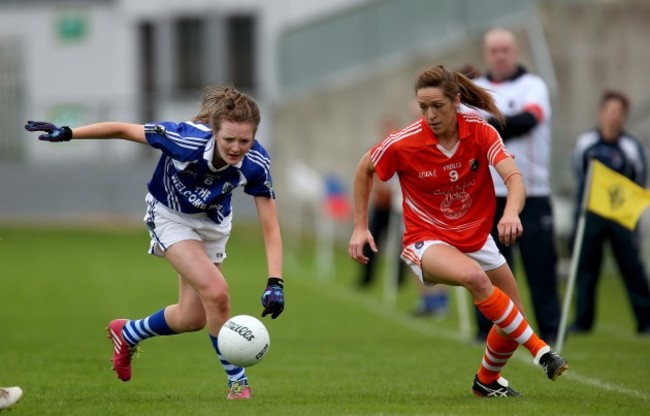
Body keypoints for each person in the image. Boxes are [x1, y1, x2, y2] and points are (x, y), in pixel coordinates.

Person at [24, 85, 285, 400]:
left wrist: (275, 282)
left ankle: (128, 332)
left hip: (214, 225)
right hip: (169, 217)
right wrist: (68, 132)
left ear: (254, 136)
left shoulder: (256, 163)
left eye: (244, 140)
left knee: (193, 318)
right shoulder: (184, 139)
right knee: (217, 294)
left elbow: (270, 228)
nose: (235, 147)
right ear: (214, 131)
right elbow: (122, 129)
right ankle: (238, 385)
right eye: (228, 139)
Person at [348, 64, 568, 397]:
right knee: (477, 279)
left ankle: (487, 382)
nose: (430, 114)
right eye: (423, 107)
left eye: (437, 105)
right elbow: (365, 168)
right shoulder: (404, 142)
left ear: (456, 100)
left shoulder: (481, 131)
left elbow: (514, 178)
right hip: (426, 240)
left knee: (512, 320)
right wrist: (360, 227)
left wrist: (510, 213)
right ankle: (541, 351)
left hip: (477, 238)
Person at [472, 28, 561, 344]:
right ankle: (486, 330)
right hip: (487, 195)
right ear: (486, 54)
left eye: (505, 49)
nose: (500, 55)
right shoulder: (475, 91)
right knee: (489, 267)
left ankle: (550, 329)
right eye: (494, 50)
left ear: (516, 50)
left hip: (531, 193)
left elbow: (529, 119)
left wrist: (488, 128)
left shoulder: (533, 86)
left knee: (540, 265)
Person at [570, 90, 650, 335]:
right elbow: (579, 171)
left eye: (619, 113)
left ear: (624, 116)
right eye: (610, 111)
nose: (613, 117)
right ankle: (583, 321)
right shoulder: (586, 142)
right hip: (591, 214)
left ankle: (645, 320)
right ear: (601, 113)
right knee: (585, 269)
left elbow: (640, 179)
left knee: (631, 267)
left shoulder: (631, 146)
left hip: (621, 216)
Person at [357, 114, 409, 289]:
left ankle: (398, 280)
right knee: (370, 241)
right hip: (381, 205)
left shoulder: (403, 152)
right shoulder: (378, 152)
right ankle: (366, 277)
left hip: (399, 205)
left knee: (401, 245)